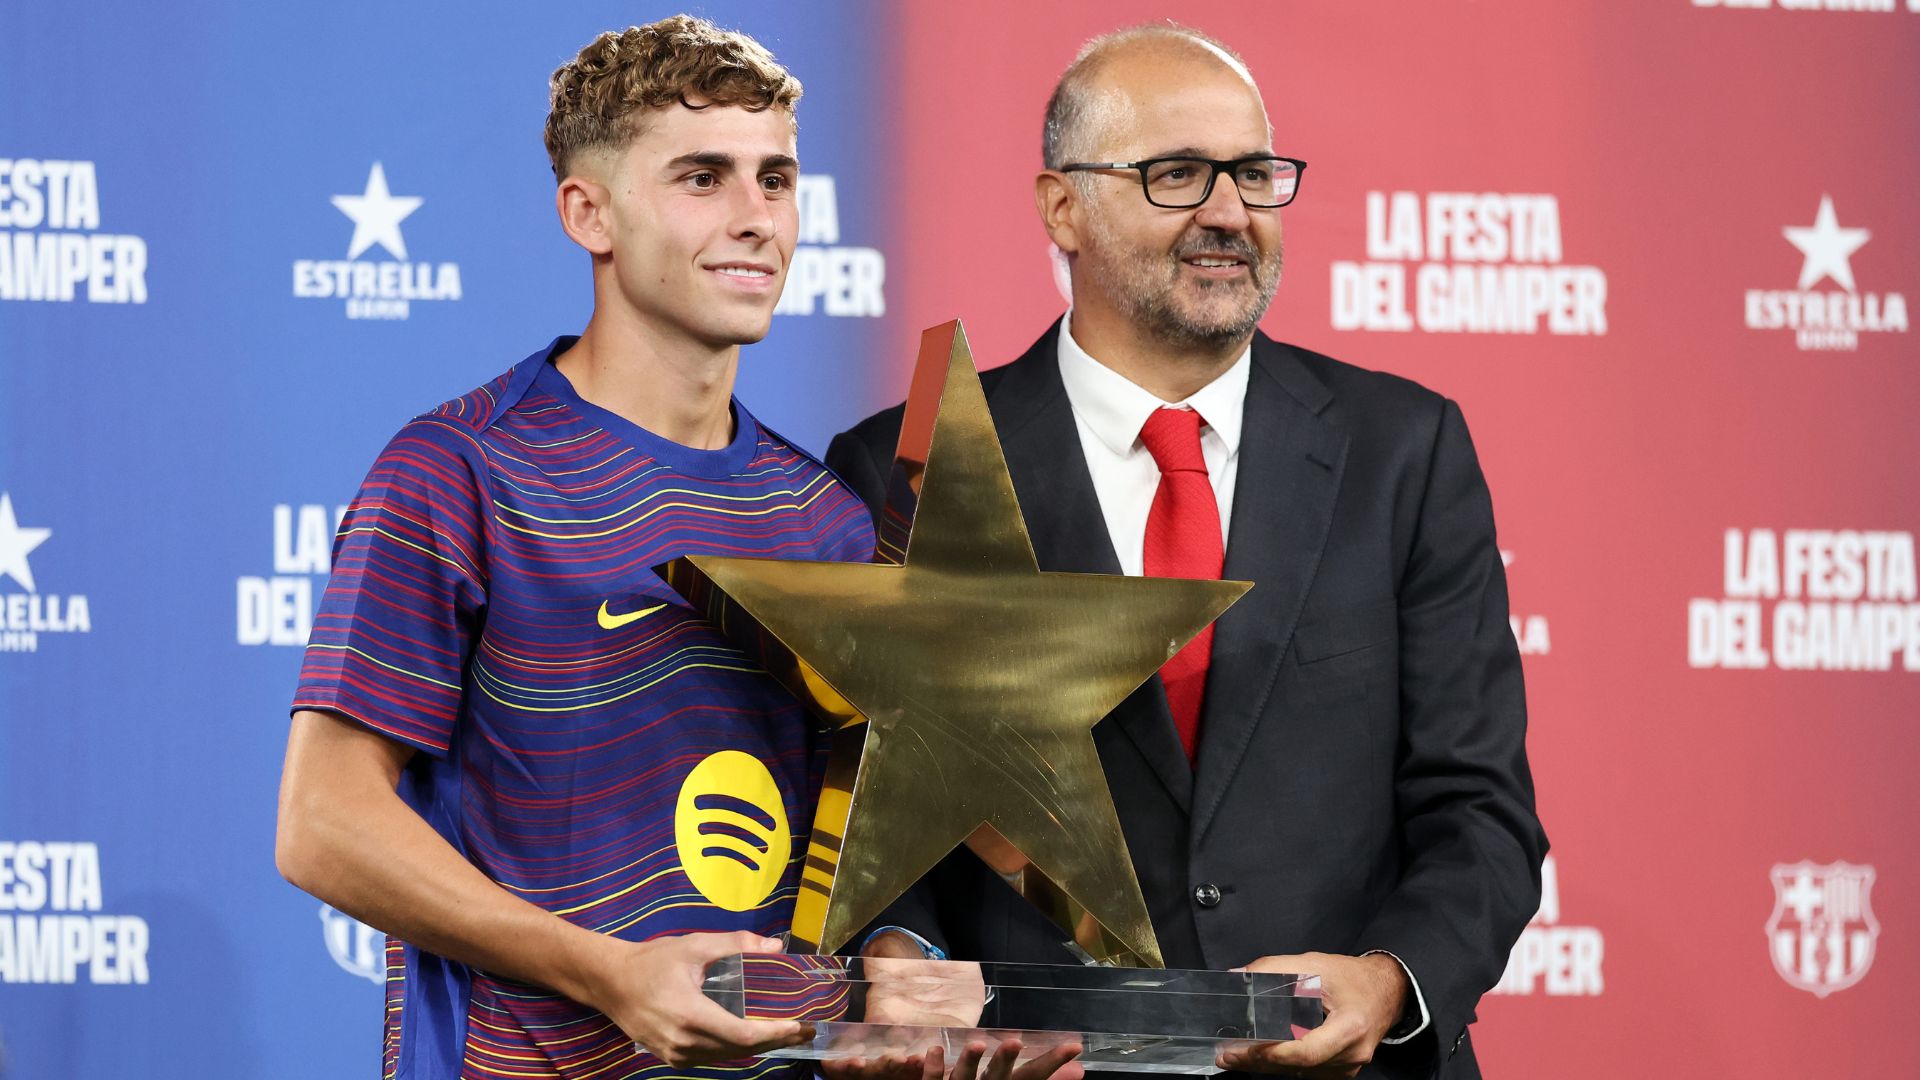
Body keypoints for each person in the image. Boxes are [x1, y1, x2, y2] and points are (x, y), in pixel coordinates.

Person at [827, 25, 1547, 1080]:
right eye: (1177, 174)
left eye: (1254, 174)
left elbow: (1478, 807)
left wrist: (1387, 981)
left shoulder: (1404, 450)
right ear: (1060, 207)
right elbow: (879, 817)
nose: (1229, 212)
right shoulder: (916, 461)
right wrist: (901, 962)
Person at [275, 17, 877, 1079]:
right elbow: (323, 822)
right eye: (702, 178)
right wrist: (607, 974)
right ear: (588, 213)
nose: (756, 219)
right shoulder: (462, 469)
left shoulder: (827, 519)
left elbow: (852, 856)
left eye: (775, 179)